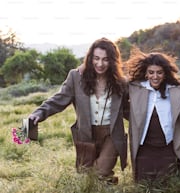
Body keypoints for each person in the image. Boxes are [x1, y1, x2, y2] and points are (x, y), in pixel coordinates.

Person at [29, 37, 128, 184]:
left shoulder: (121, 82)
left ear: (113, 61)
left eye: (105, 59)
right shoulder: (76, 77)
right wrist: (39, 113)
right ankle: (108, 187)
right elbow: (59, 99)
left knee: (101, 171)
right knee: (86, 177)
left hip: (112, 135)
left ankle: (106, 183)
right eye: (96, 58)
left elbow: (130, 109)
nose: (100, 64)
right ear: (90, 58)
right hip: (86, 133)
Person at [126, 51, 180, 182]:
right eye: (151, 72)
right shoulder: (135, 89)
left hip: (168, 148)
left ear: (165, 73)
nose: (155, 76)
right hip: (144, 148)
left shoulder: (176, 90)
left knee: (167, 187)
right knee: (144, 187)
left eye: (159, 72)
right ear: (146, 73)